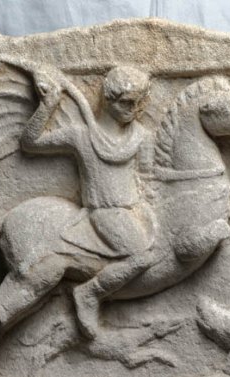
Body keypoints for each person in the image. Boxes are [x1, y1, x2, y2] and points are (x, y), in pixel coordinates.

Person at [21, 65, 157, 339]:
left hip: (137, 210)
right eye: (126, 103)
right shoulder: (81, 135)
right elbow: (30, 142)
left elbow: (147, 177)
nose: (133, 110)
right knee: (142, 255)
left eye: (138, 103)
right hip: (105, 213)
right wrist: (47, 105)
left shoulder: (141, 136)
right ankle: (90, 294)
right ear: (108, 99)